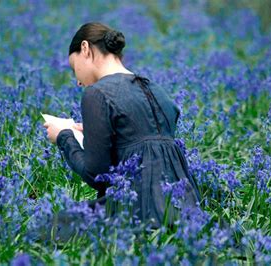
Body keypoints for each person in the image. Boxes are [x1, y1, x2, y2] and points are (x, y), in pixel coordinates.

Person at [44, 22, 201, 241]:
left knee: (46, 229)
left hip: (136, 209)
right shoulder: (157, 90)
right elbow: (143, 142)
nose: (78, 81)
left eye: (74, 68)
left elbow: (97, 176)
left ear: (86, 49)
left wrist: (64, 137)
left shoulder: (97, 93)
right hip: (184, 210)